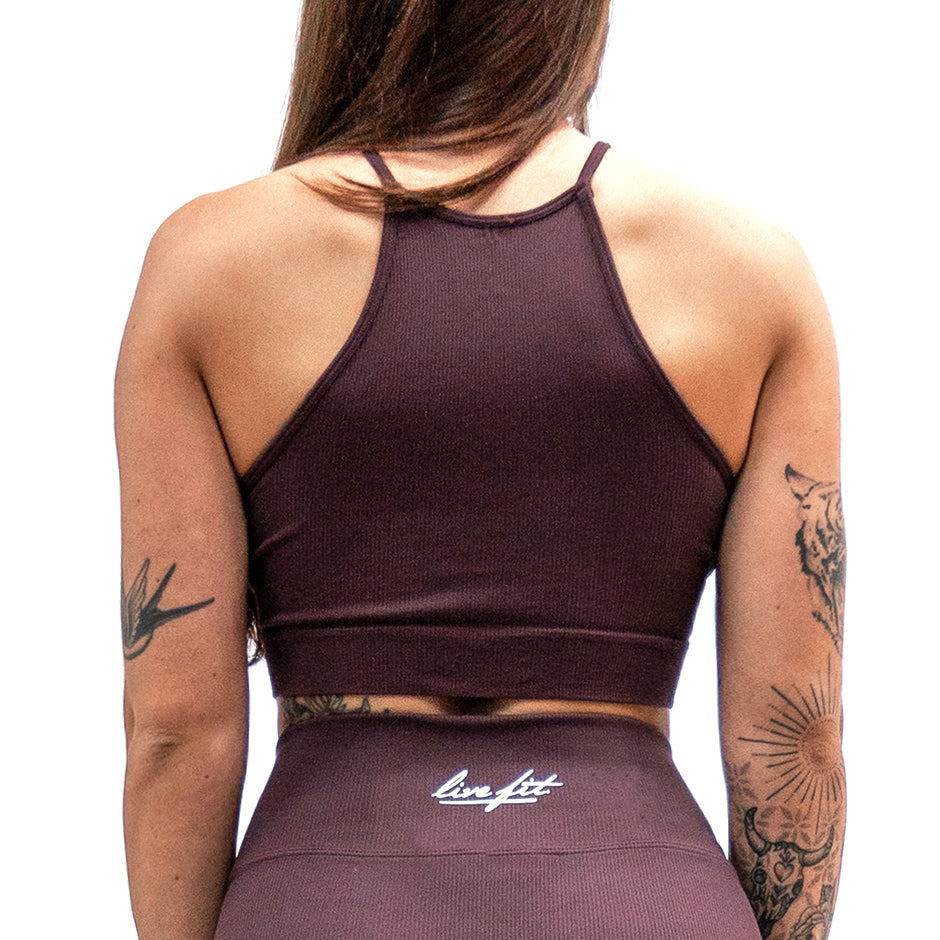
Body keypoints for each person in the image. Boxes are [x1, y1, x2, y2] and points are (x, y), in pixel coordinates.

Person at [116, 1, 845, 937]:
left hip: (326, 897)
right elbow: (797, 738)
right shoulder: (750, 270)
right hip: (644, 898)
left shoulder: (211, 262)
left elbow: (175, 731)